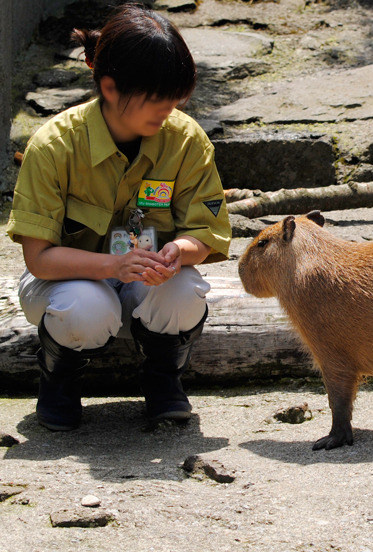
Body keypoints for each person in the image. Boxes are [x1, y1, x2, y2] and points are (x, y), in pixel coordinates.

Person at [7, 4, 231, 431]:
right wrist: (112, 266)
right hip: (63, 285)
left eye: (176, 96)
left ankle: (163, 381)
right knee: (86, 304)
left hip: (142, 290)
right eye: (157, 96)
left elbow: (206, 233)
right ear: (109, 87)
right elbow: (39, 259)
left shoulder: (186, 141)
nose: (171, 107)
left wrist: (176, 252)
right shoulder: (54, 145)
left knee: (186, 288)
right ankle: (59, 383)